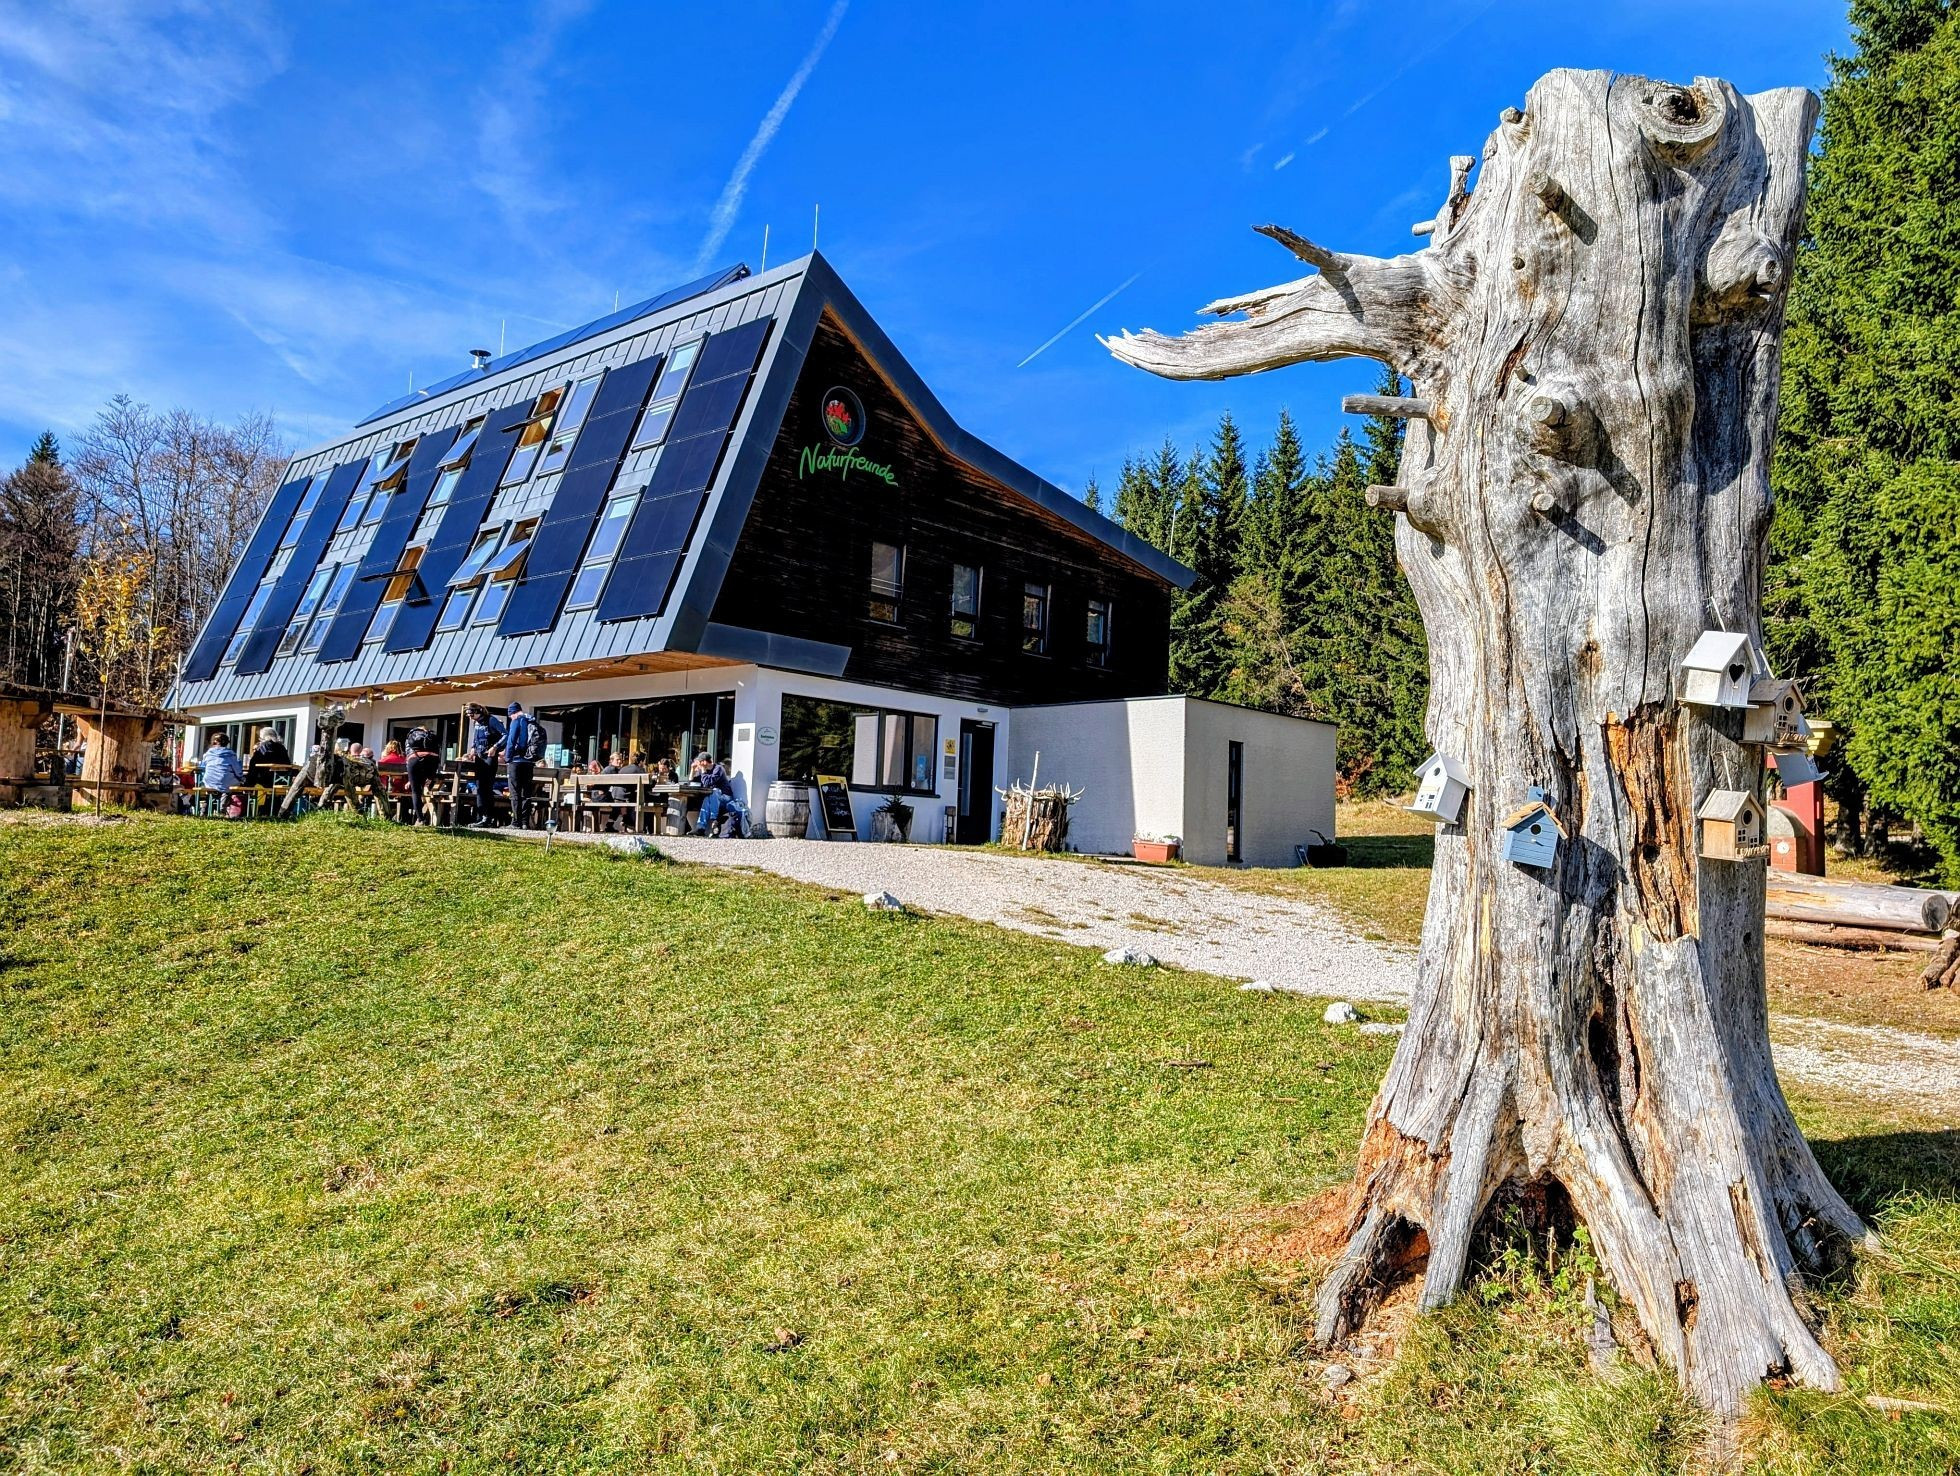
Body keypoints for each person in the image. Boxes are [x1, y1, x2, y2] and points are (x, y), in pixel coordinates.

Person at [463, 703, 505, 826]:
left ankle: (487, 817)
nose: (470, 717)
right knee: (479, 786)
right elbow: (476, 738)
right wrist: (473, 748)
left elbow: (505, 735)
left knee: (487, 787)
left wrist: (495, 747)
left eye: (471, 714)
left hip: (489, 756)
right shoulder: (476, 723)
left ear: (477, 712)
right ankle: (480, 816)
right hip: (479, 757)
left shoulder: (491, 720)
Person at [503, 701, 541, 830]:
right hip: (529, 761)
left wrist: (508, 758)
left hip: (516, 761)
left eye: (510, 715)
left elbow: (511, 740)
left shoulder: (516, 721)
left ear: (513, 713)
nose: (510, 718)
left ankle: (516, 822)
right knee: (526, 792)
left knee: (515, 792)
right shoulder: (532, 721)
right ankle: (525, 822)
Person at [199, 732, 246, 815]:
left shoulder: (207, 754)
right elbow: (238, 771)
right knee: (229, 786)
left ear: (213, 742)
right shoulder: (231, 755)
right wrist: (242, 778)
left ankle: (204, 811)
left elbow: (202, 768)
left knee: (214, 789)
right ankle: (222, 809)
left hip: (209, 781)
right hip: (226, 781)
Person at [403, 724, 442, 824]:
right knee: (428, 787)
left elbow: (407, 752)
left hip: (414, 759)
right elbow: (438, 752)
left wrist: (410, 776)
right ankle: (432, 817)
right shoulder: (431, 736)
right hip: (432, 761)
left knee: (416, 791)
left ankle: (420, 819)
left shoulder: (411, 735)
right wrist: (432, 773)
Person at [693, 752, 738, 837]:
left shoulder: (718, 769)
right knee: (707, 799)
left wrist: (703, 771)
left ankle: (713, 819)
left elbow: (707, 783)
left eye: (699, 761)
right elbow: (694, 781)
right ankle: (701, 828)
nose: (698, 763)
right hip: (714, 799)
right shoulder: (705, 771)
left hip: (726, 797)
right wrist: (693, 770)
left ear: (704, 762)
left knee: (714, 791)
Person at [245, 725, 291, 789]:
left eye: (260, 738)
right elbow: (288, 763)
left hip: (265, 781)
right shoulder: (282, 748)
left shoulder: (262, 747)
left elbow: (253, 765)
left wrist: (248, 783)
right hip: (282, 781)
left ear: (264, 737)